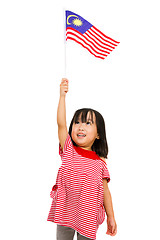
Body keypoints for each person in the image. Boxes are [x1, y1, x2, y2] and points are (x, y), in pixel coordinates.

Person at [47, 78, 117, 240]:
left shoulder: (100, 163)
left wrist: (111, 216)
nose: (80, 126)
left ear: (98, 134)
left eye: (87, 123)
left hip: (88, 216)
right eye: (77, 122)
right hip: (65, 212)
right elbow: (61, 124)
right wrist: (62, 97)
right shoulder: (69, 150)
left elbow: (105, 192)